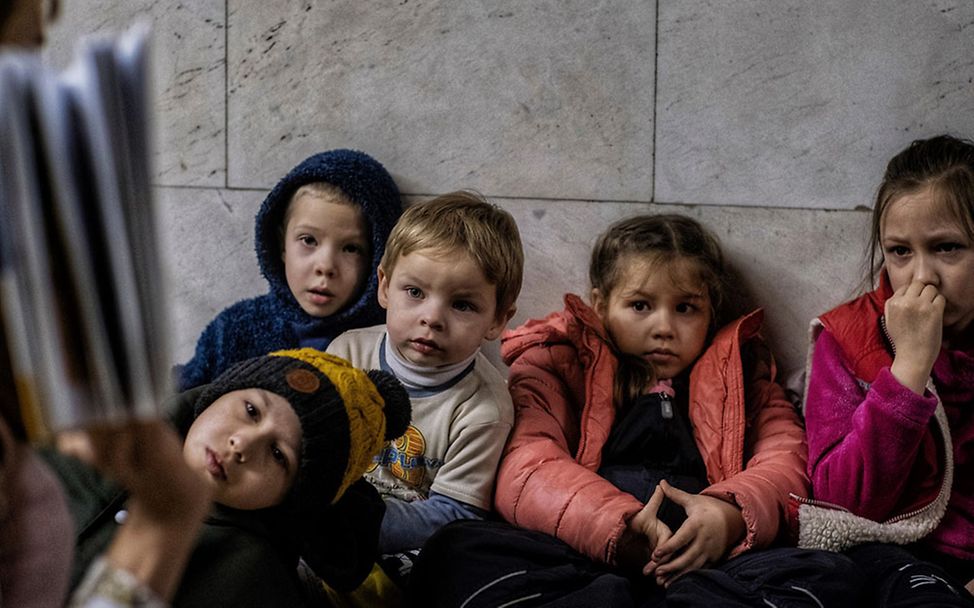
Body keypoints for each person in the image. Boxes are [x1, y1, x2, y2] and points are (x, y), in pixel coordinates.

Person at [406, 214, 861, 607]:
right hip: (585, 550)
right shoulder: (558, 359)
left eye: (685, 308)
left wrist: (729, 516)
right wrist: (618, 528)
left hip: (706, 559)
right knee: (456, 550)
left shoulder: (744, 372)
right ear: (602, 305)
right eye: (640, 305)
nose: (664, 327)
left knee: (832, 577)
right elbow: (526, 463)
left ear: (712, 313)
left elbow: (785, 458)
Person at [42, 348, 411, 607]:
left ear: (292, 498)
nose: (242, 444)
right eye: (250, 410)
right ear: (218, 393)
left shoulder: (252, 581)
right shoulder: (95, 434)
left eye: (279, 455)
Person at [801, 134, 974, 605]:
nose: (922, 277)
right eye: (900, 252)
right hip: (893, 554)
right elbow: (840, 501)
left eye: (948, 248)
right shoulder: (849, 341)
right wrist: (909, 370)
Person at [325, 191, 523, 602]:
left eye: (463, 305)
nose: (432, 318)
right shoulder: (347, 354)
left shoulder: (484, 407)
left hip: (405, 551)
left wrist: (359, 527)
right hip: (327, 520)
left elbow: (454, 512)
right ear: (384, 286)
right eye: (414, 292)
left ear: (498, 320)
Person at [178, 149, 403, 390]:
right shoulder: (234, 331)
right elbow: (178, 402)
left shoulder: (387, 347)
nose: (325, 267)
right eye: (308, 240)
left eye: (350, 248)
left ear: (377, 258)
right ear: (281, 244)